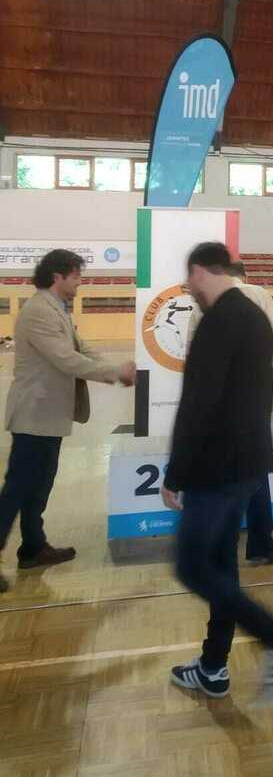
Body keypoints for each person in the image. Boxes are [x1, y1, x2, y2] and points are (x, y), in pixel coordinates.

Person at [162, 242, 273, 702]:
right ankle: (213, 667)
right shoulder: (254, 316)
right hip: (247, 463)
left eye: (190, 279)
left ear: (200, 271)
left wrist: (175, 473)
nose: (189, 288)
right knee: (222, 568)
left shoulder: (217, 322)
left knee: (192, 566)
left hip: (216, 467)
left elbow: (197, 404)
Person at [0, 250, 135, 593]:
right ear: (57, 276)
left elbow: (81, 349)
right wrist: (114, 373)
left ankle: (33, 547)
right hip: (34, 414)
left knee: (38, 486)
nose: (80, 283)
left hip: (48, 415)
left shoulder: (57, 308)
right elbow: (66, 360)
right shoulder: (38, 311)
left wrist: (114, 367)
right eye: (76, 276)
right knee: (17, 489)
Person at [186, 260, 273, 566]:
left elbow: (193, 356)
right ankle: (260, 544)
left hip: (213, 403)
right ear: (244, 276)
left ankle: (219, 548)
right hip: (250, 399)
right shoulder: (258, 294)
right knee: (255, 472)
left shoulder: (201, 303)